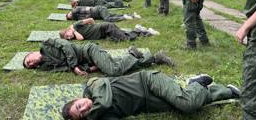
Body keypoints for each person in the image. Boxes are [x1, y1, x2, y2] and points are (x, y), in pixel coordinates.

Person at [61, 70, 241, 120]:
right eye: (82, 113)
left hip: (148, 82)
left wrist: (89, 117)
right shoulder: (99, 115)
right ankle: (226, 91)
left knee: (186, 104)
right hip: (148, 103)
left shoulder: (93, 85)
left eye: (79, 106)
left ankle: (196, 83)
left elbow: (106, 103)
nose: (85, 108)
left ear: (78, 99)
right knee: (185, 104)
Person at [23, 38, 174, 76]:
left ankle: (131, 53)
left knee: (113, 71)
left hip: (89, 51)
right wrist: (88, 69)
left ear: (31, 53)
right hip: (88, 61)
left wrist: (74, 66)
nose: (31, 63)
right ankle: (155, 58)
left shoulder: (47, 44)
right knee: (121, 65)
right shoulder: (47, 67)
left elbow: (66, 45)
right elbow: (66, 68)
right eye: (30, 65)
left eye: (28, 60)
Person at [59, 18, 159, 42]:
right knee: (122, 35)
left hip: (105, 27)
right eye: (67, 38)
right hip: (104, 32)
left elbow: (90, 19)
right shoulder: (75, 35)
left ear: (67, 30)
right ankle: (139, 29)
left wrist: (96, 26)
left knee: (125, 38)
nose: (69, 37)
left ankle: (148, 32)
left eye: (67, 35)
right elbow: (79, 38)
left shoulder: (76, 26)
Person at [66, 6, 141, 22]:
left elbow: (74, 11)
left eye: (69, 14)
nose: (70, 15)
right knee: (112, 16)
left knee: (107, 19)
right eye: (69, 17)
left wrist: (71, 13)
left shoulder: (76, 9)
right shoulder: (78, 17)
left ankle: (124, 18)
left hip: (99, 10)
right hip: (99, 14)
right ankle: (132, 15)